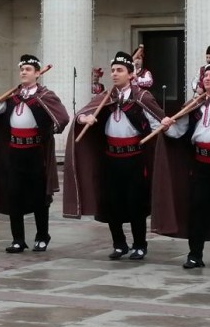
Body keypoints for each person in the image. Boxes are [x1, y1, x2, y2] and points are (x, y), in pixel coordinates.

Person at [63, 51, 169, 260]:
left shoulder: (141, 97)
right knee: (112, 202)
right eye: (112, 70)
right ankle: (119, 244)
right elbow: (82, 114)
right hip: (110, 158)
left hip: (134, 157)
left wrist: (163, 124)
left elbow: (158, 121)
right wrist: (85, 119)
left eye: (119, 70)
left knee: (135, 202)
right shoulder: (105, 97)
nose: (114, 74)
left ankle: (139, 245)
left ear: (131, 74)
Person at [0, 55, 69, 253]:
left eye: (28, 69)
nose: (24, 72)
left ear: (37, 73)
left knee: (39, 197)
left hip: (36, 153)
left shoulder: (45, 96)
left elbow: (62, 117)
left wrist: (49, 131)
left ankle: (42, 236)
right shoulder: (12, 97)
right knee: (14, 195)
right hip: (14, 152)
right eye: (22, 69)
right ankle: (18, 239)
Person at [153, 58, 210, 269]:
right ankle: (195, 255)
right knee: (198, 209)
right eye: (206, 75)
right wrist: (166, 126)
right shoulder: (195, 106)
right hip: (201, 164)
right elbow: (178, 132)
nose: (207, 78)